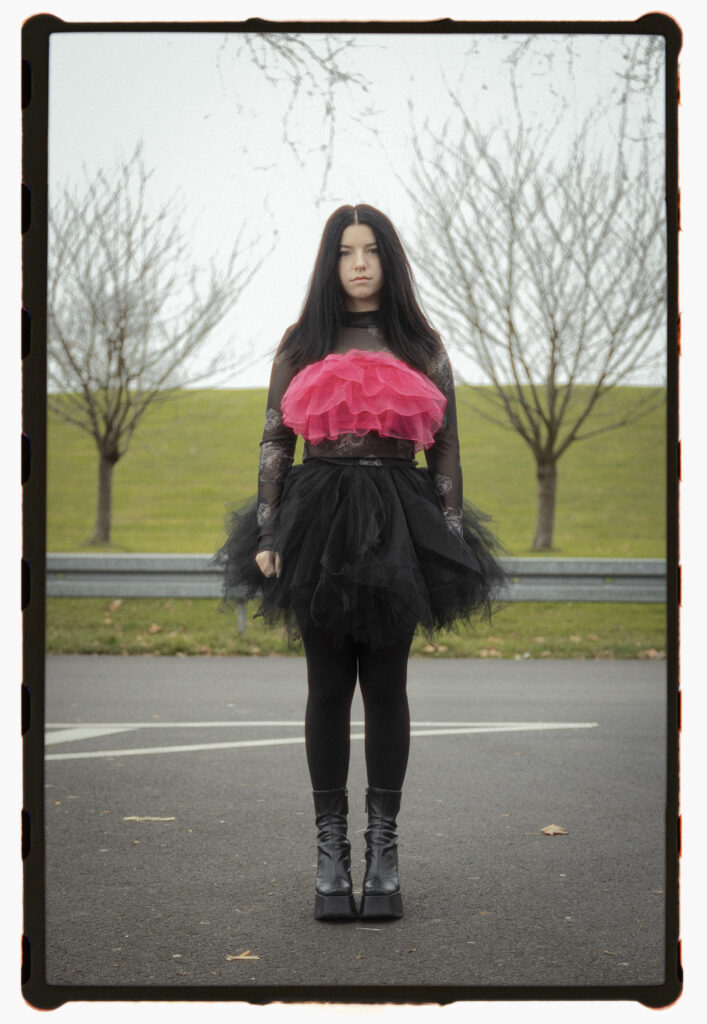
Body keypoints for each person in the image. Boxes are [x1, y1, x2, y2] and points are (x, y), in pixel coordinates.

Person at [216, 204, 506, 921]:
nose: (359, 263)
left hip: (397, 516)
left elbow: (444, 447)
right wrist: (267, 527)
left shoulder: (420, 343)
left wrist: (445, 536)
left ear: (388, 259)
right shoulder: (302, 342)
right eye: (345, 251)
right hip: (317, 514)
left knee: (385, 686)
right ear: (330, 261)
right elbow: (274, 442)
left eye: (371, 250)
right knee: (324, 688)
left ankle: (382, 853)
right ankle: (328, 855)